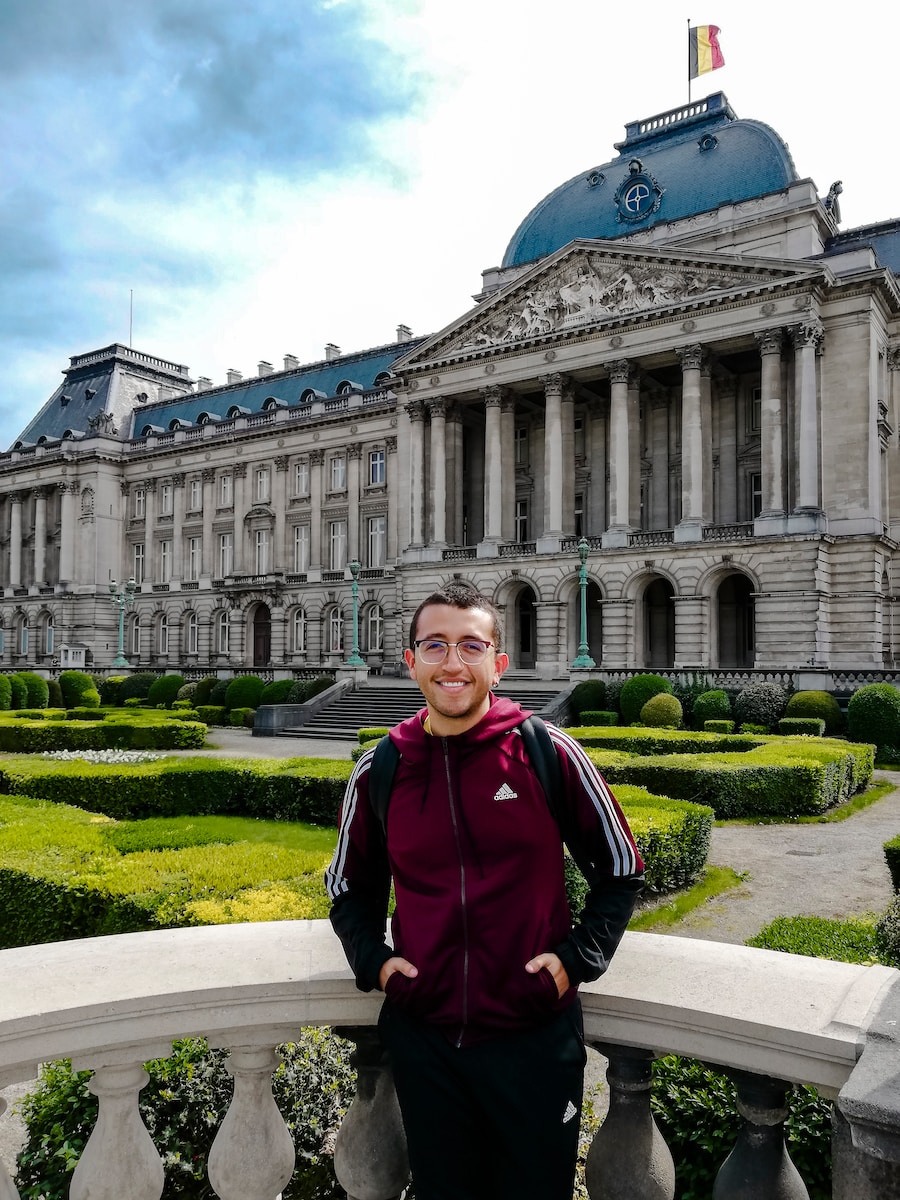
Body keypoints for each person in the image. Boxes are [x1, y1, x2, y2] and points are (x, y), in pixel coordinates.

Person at [325, 583, 644, 1200]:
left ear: (498, 662)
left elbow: (621, 867)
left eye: (472, 646)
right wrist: (377, 964)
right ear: (410, 658)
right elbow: (348, 887)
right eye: (436, 645)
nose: (453, 663)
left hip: (534, 1040)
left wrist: (576, 961)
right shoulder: (381, 768)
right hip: (427, 1043)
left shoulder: (545, 750)